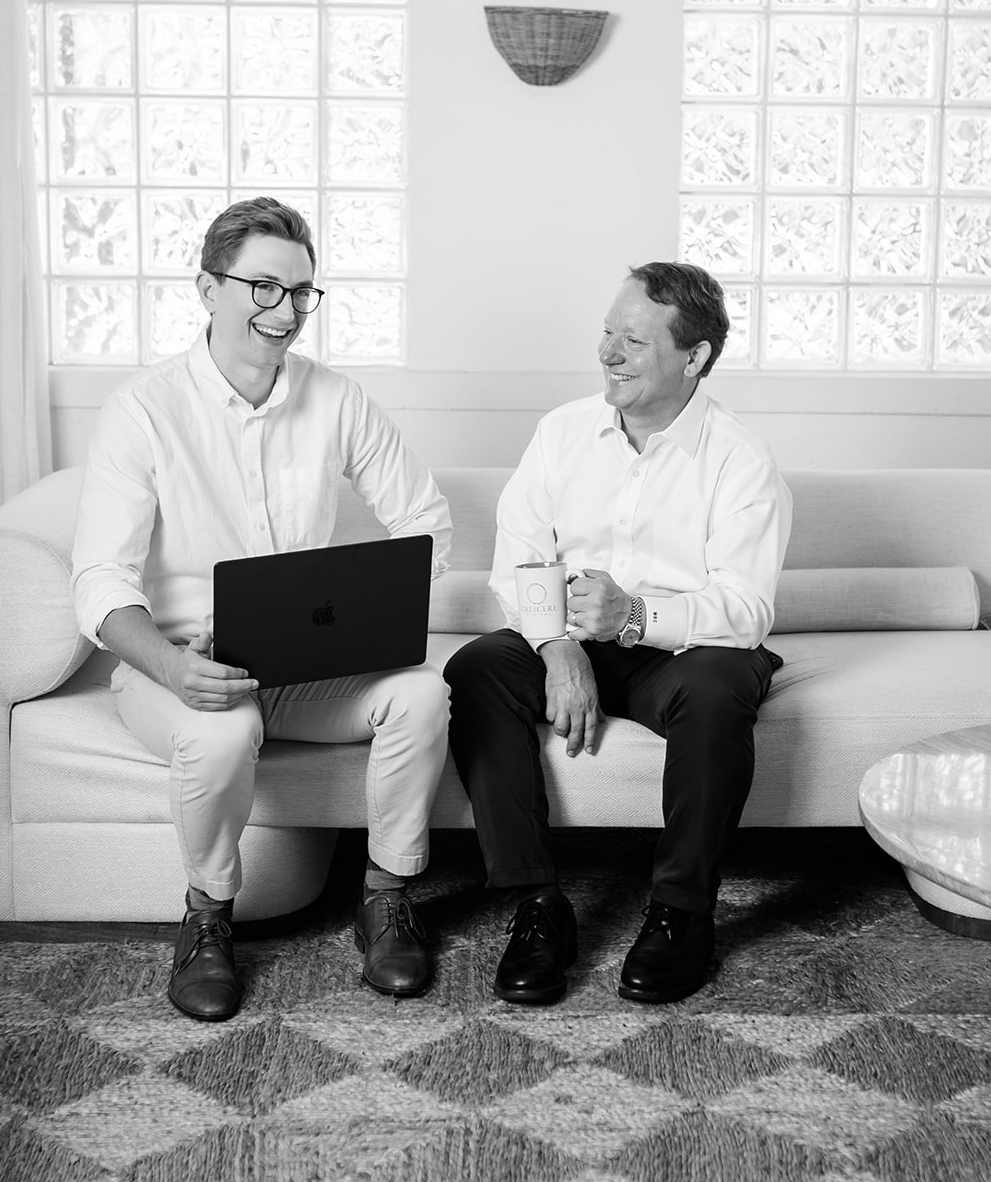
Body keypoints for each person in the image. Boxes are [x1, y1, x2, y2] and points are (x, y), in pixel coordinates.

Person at [72, 197, 452, 1021]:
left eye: (302, 293)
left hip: (305, 667)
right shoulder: (143, 409)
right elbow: (100, 580)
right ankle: (208, 915)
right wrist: (175, 666)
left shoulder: (338, 399)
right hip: (181, 666)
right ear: (209, 288)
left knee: (422, 692)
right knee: (223, 726)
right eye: (264, 288)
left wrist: (366, 606)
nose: (285, 313)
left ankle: (385, 898)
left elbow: (425, 520)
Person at [444, 261, 792, 1007]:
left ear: (693, 357)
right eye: (607, 333)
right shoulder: (563, 431)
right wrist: (557, 645)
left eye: (632, 341)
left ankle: (680, 915)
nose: (607, 354)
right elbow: (520, 556)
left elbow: (746, 606)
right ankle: (537, 907)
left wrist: (636, 617)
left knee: (719, 685)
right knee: (476, 667)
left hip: (683, 654)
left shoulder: (741, 461)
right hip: (571, 638)